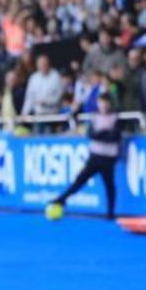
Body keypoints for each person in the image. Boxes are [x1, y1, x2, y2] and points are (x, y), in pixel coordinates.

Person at [45, 92, 122, 220]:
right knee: (80, 180)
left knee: (109, 184)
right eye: (101, 102)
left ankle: (110, 212)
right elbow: (91, 134)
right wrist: (103, 133)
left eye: (105, 102)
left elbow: (114, 137)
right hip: (95, 155)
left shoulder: (114, 118)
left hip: (108, 157)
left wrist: (101, 134)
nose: (103, 105)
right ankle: (61, 199)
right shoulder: (95, 117)